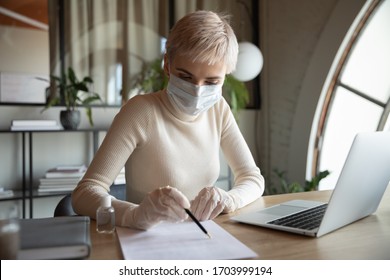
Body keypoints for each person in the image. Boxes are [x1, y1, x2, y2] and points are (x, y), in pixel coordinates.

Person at [72, 10, 264, 230]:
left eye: (211, 82)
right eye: (185, 76)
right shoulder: (140, 112)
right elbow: (84, 193)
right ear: (167, 65)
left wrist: (228, 199)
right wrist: (135, 215)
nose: (198, 91)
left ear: (225, 78)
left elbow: (253, 178)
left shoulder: (219, 109)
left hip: (201, 236)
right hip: (144, 240)